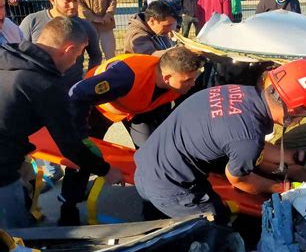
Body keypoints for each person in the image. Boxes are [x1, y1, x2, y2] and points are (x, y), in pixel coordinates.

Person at [134, 59, 306, 224]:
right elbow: (239, 179)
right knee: (215, 228)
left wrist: (295, 156)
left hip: (146, 165)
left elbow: (244, 142)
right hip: (171, 186)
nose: (304, 119)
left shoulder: (241, 94)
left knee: (152, 226)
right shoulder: (247, 137)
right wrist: (285, 189)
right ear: (295, 109)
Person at [0, 17, 123, 228]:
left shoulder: (8, 58)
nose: (77, 61)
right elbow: (70, 146)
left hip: (11, 149)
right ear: (68, 49)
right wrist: (106, 170)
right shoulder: (45, 86)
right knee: (16, 234)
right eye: (78, 54)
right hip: (2, 167)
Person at [62, 47, 205, 224]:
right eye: (188, 80)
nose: (193, 83)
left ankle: (153, 210)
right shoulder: (126, 76)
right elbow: (78, 93)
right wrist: (81, 135)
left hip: (140, 109)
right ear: (167, 77)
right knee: (82, 156)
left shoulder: (178, 81)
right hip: (99, 107)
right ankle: (68, 207)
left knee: (153, 158)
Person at [20, 0, 102, 89]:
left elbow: (96, 55)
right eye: (67, 0)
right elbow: (20, 54)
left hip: (72, 89)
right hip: (38, 89)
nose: (73, 5)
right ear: (52, 0)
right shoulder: (32, 21)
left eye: (76, 0)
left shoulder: (86, 26)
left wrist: (89, 79)